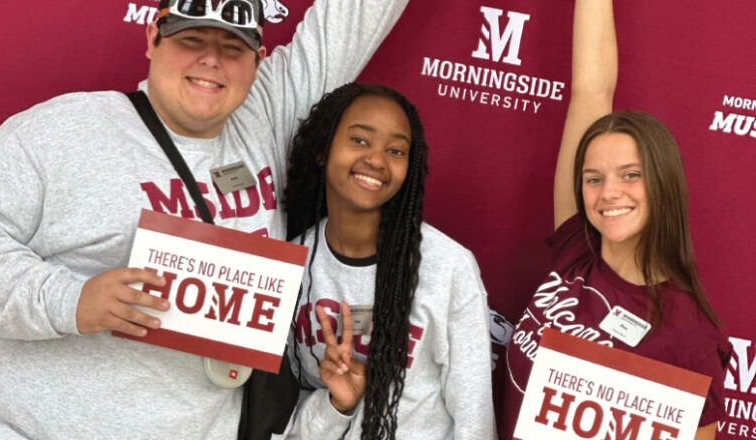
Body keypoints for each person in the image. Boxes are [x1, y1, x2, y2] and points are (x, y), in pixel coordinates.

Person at [0, 0, 408, 437]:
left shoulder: (263, 117)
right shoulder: (62, 131)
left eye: (233, 47)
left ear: (258, 61)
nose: (211, 59)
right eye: (191, 40)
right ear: (152, 40)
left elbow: (355, 16)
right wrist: (71, 301)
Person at [500, 0, 730, 439]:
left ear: (663, 183)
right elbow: (590, 89)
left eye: (631, 175)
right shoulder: (576, 249)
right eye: (593, 178)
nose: (609, 193)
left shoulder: (688, 335)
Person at [280, 83, 496, 439]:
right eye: (360, 140)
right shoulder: (293, 265)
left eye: (396, 150)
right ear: (323, 149)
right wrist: (338, 406)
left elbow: (474, 420)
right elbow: (285, 419)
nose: (377, 160)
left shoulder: (447, 267)